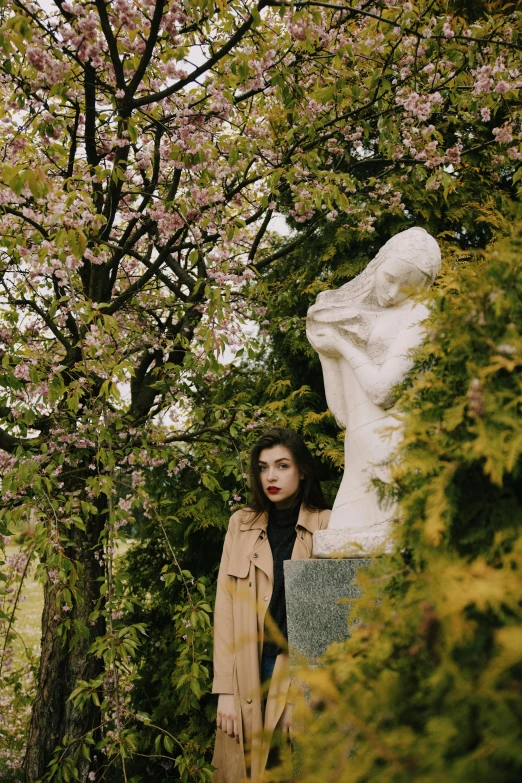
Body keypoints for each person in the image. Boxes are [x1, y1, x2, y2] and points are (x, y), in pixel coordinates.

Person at [211, 427, 331, 783]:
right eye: (263, 468)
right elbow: (225, 608)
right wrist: (226, 692)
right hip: (244, 671)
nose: (271, 477)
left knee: (285, 770)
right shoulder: (240, 525)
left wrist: (304, 693)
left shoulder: (325, 525)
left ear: (302, 471)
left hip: (291, 672)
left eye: (282, 466)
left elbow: (325, 618)